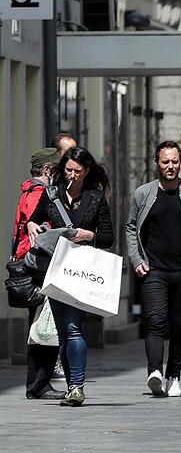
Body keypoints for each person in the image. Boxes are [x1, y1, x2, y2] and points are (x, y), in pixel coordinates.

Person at [26, 147, 115, 406]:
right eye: (68, 170)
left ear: (87, 172)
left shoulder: (95, 198)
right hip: (55, 269)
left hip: (81, 270)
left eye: (77, 171)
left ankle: (77, 386)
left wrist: (90, 236)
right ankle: (71, 387)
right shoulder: (51, 194)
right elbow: (34, 220)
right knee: (63, 333)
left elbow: (108, 237)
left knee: (74, 328)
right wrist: (32, 225)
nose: (72, 175)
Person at [126, 141, 181, 397]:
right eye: (166, 162)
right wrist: (135, 259)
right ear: (157, 163)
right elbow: (131, 227)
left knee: (178, 325)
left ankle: (174, 376)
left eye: (175, 161)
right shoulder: (143, 193)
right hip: (153, 270)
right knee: (154, 321)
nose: (171, 166)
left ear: (180, 162)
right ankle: (155, 372)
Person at [12, 148, 65, 400]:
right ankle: (38, 384)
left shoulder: (28, 190)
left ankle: (39, 383)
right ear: (47, 170)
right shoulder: (38, 193)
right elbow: (40, 233)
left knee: (42, 324)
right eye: (57, 170)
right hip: (38, 266)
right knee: (43, 325)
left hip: (32, 264)